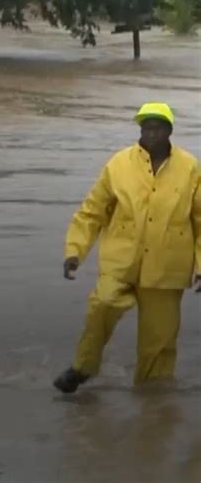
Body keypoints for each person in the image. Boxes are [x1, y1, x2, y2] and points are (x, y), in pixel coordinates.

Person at [54, 102, 201, 394]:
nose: (151, 133)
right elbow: (92, 211)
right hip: (120, 262)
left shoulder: (190, 168)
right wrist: (74, 251)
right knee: (101, 305)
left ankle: (152, 404)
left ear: (170, 131)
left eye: (157, 127)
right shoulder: (119, 164)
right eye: (146, 127)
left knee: (159, 341)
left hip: (166, 270)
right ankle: (83, 368)